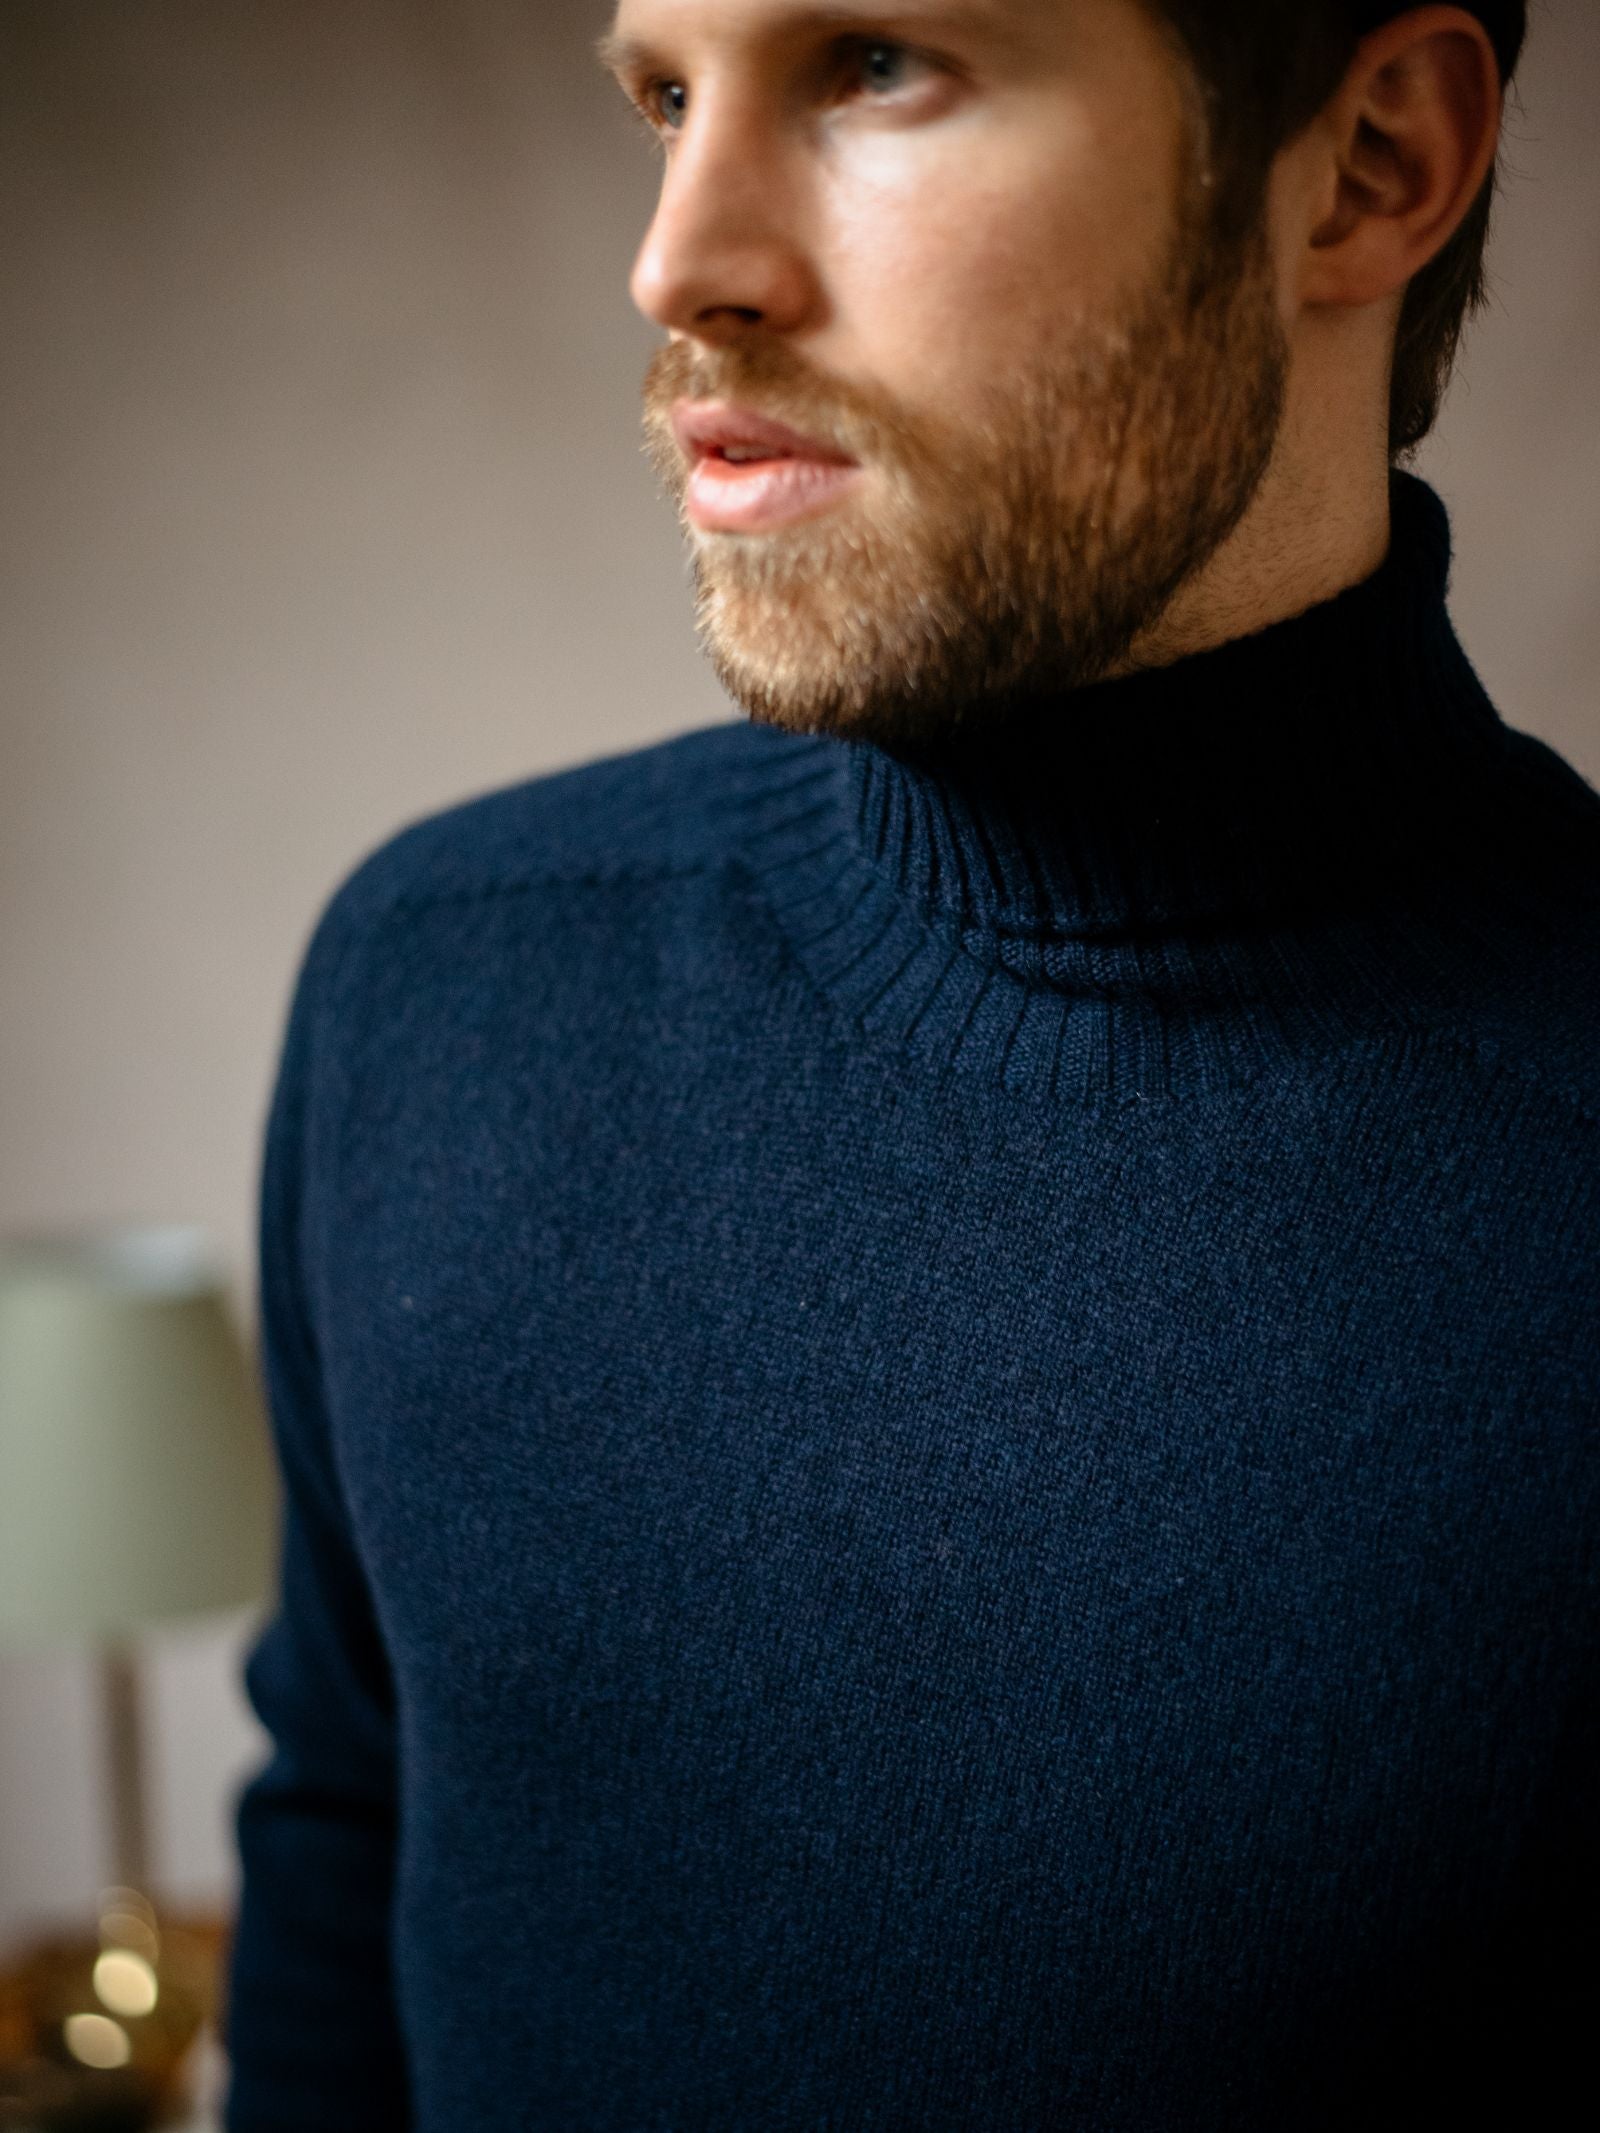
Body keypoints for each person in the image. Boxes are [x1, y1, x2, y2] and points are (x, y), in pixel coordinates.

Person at [222, 2, 1598, 2126]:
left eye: (868, 63)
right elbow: (340, 1858)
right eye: (665, 95)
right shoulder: (435, 984)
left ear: (1368, 163)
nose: (678, 259)